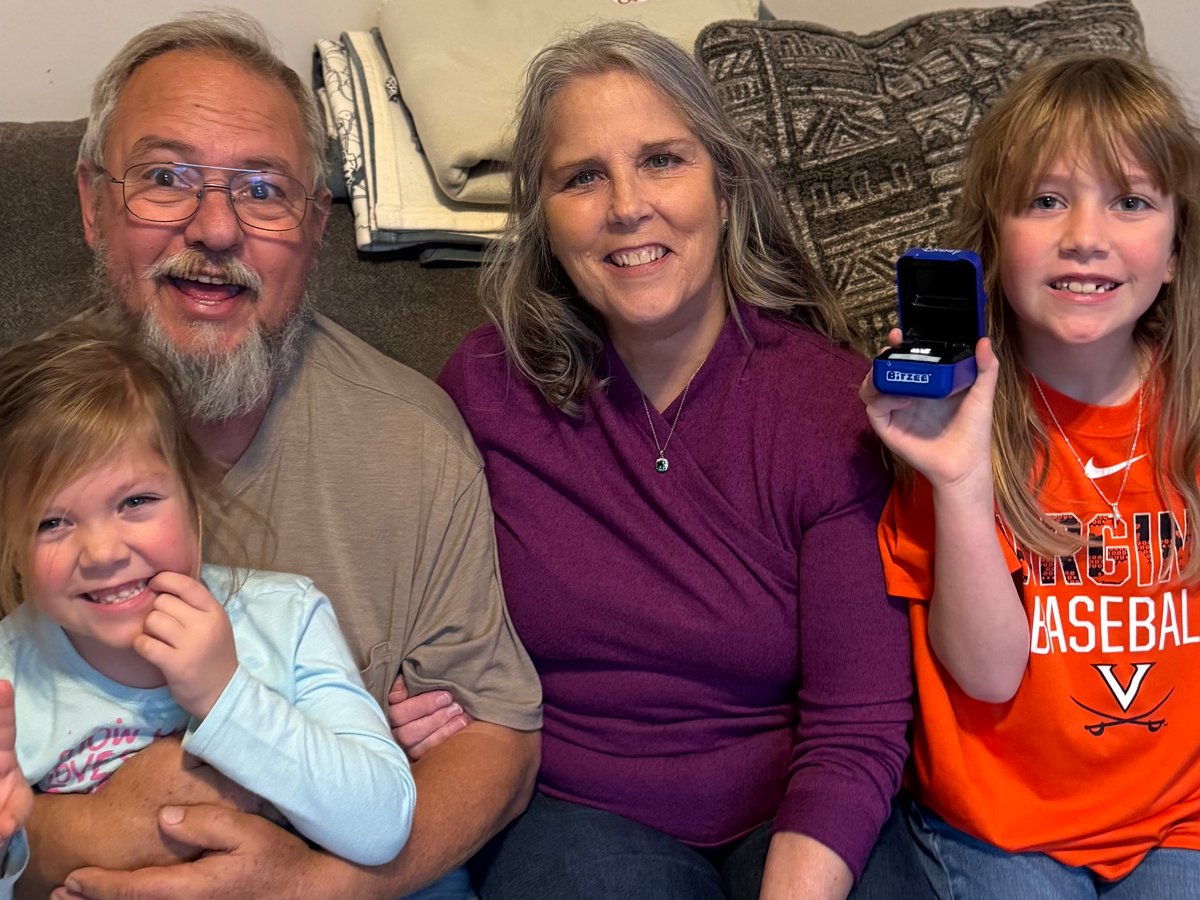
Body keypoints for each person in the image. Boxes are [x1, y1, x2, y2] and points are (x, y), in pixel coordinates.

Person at [24, 11, 542, 900]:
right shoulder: (18, 437)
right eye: (165, 177)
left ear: (312, 223)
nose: (215, 229)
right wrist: (84, 831)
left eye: (262, 190)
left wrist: (314, 885)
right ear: (92, 205)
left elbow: (499, 739)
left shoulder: (413, 442)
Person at [392, 22, 913, 900]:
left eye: (663, 160)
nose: (627, 205)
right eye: (582, 177)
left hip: (801, 804)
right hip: (573, 813)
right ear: (542, 219)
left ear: (725, 187)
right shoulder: (485, 389)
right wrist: (397, 696)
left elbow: (856, 726)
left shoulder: (832, 405)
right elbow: (405, 607)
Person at [861, 54, 1200, 898]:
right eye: (1046, 201)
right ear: (994, 245)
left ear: (1173, 251)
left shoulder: (1189, 408)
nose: (1084, 234)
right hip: (1001, 830)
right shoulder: (948, 418)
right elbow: (987, 676)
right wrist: (959, 482)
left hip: (1177, 820)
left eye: (1130, 201)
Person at [0, 319, 418, 895]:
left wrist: (227, 697)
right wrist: (9, 844)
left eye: (135, 501)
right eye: (52, 522)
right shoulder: (10, 673)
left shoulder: (286, 620)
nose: (102, 552)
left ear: (193, 495)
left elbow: (383, 824)